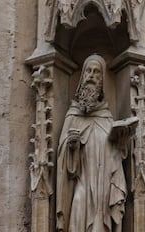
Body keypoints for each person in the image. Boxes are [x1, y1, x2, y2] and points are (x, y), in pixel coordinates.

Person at [56, 54, 127, 232]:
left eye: (96, 73)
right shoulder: (73, 116)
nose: (91, 76)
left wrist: (121, 141)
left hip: (104, 188)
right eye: (88, 71)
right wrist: (71, 146)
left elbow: (117, 158)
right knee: (77, 216)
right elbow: (63, 164)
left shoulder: (106, 118)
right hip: (82, 182)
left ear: (102, 80)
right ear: (82, 77)